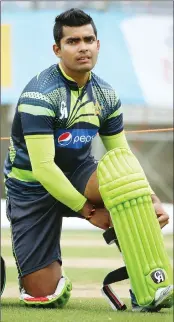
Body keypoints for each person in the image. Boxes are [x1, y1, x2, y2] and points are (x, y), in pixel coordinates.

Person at [4, 8, 169, 308]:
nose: (83, 47)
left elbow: (122, 156)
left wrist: (149, 196)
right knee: (46, 297)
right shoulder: (39, 95)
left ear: (98, 44)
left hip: (79, 174)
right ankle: (31, 272)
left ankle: (151, 283)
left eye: (89, 39)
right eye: (73, 41)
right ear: (58, 49)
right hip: (31, 189)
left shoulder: (105, 95)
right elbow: (43, 169)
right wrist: (89, 212)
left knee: (124, 182)